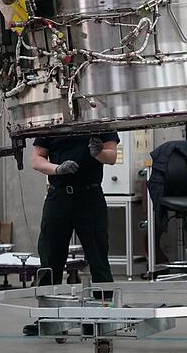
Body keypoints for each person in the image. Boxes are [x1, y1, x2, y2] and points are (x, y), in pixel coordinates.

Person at [22, 132, 119, 336]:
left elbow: (111, 157)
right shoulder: (53, 123)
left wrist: (99, 153)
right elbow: (37, 160)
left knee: (98, 258)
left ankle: (102, 317)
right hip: (58, 196)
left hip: (90, 196)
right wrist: (57, 169)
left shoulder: (99, 121)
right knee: (50, 259)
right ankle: (49, 317)